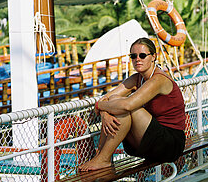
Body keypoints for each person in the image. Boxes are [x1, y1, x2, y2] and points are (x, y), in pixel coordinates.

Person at [79, 37, 186, 171]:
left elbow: (127, 105)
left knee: (126, 108)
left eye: (142, 55)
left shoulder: (158, 79)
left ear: (153, 57)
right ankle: (100, 155)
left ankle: (104, 159)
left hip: (170, 143)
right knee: (116, 103)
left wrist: (100, 107)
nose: (137, 59)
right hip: (148, 140)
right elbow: (106, 99)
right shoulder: (137, 78)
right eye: (133, 56)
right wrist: (105, 114)